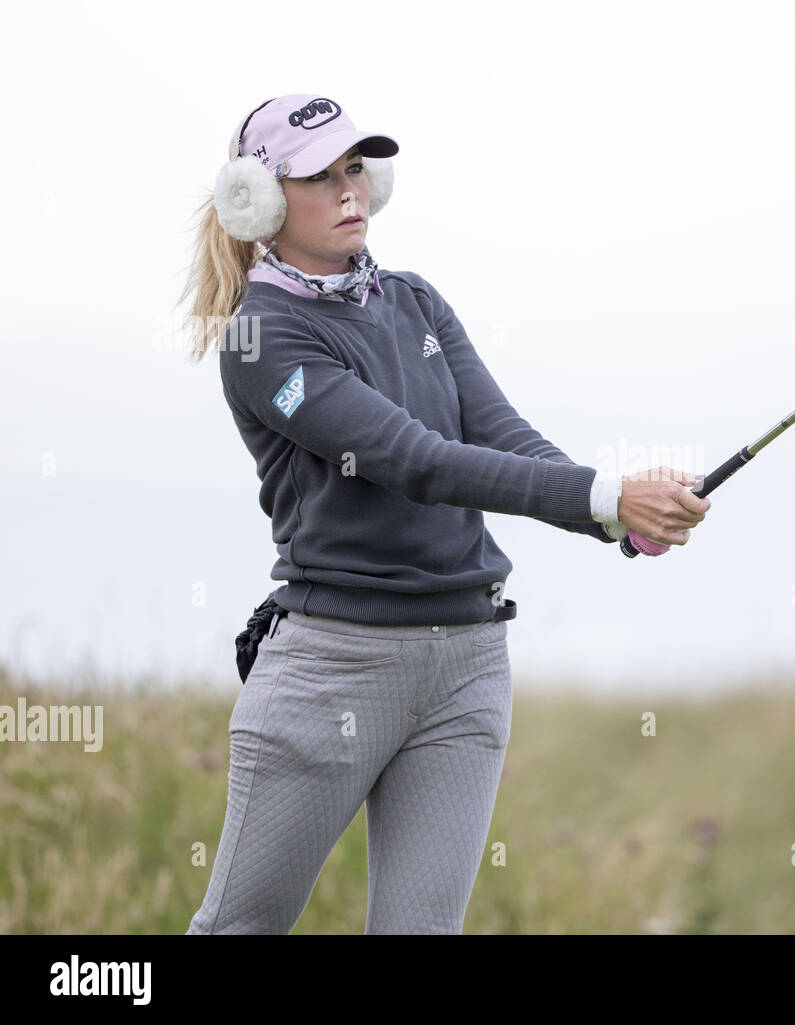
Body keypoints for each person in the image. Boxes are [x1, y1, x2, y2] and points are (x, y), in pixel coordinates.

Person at [177, 93, 710, 934]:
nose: (350, 189)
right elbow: (412, 462)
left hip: (467, 660)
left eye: (357, 168)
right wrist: (605, 495)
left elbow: (500, 435)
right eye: (320, 176)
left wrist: (614, 514)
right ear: (263, 201)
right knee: (240, 928)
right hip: (333, 666)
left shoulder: (415, 301)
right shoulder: (261, 336)